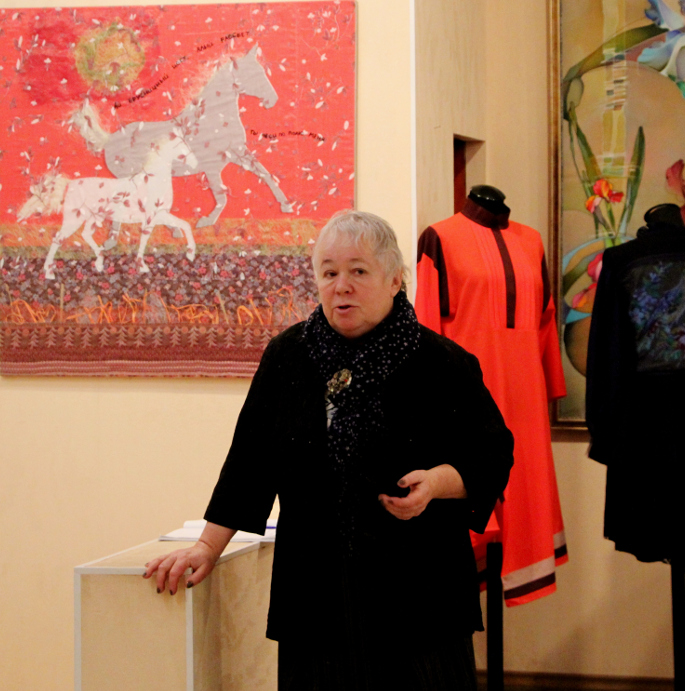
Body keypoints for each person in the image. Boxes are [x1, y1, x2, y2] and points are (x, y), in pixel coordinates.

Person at [144, 210, 514, 690]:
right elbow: (251, 461)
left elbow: (493, 455)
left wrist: (439, 483)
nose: (342, 286)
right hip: (315, 593)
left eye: (358, 271)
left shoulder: (441, 362)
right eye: (329, 272)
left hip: (420, 592)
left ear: (395, 279)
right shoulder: (289, 356)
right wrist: (207, 546)